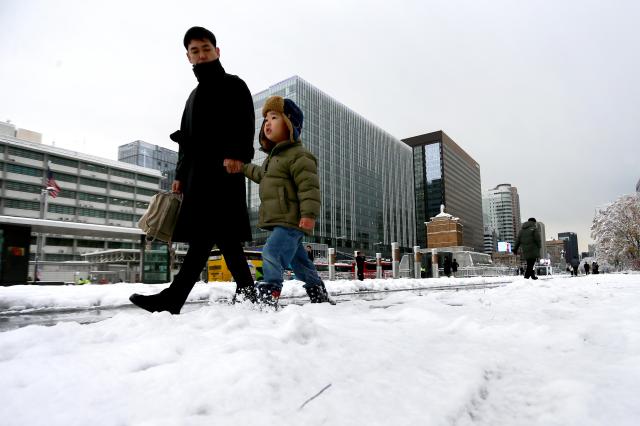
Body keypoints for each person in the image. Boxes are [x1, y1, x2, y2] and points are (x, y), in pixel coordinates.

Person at [129, 27, 256, 314]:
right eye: (195, 51)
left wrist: (238, 154)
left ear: (217, 51)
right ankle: (247, 294)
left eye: (206, 48)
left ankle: (174, 297)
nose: (201, 54)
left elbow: (244, 121)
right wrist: (179, 175)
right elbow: (186, 140)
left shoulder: (234, 84)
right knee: (220, 236)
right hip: (198, 175)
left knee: (209, 235)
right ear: (188, 57)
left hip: (224, 170)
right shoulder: (193, 97)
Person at [236, 96, 334, 306]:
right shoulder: (274, 158)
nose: (268, 123)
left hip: (291, 220)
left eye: (274, 117)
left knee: (271, 252)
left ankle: (268, 295)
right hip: (284, 220)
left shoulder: (300, 156)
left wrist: (308, 215)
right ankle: (318, 294)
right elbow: (261, 175)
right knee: (299, 262)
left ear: (290, 124)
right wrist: (242, 167)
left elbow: (309, 188)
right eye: (266, 119)